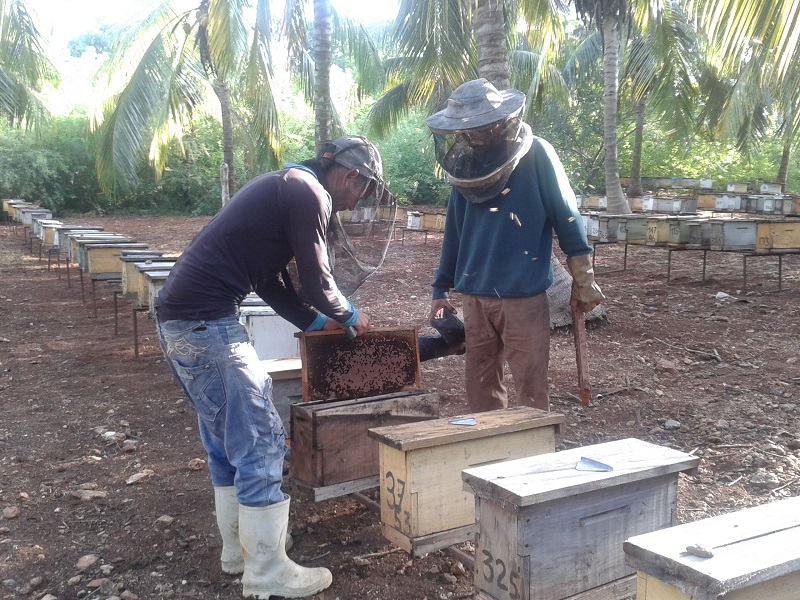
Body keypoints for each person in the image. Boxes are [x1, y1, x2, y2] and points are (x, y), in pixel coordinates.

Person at [154, 136, 387, 599]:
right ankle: (266, 573)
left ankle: (239, 553)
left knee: (227, 439)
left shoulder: (284, 185)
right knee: (260, 436)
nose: (359, 200)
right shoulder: (309, 192)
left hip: (182, 320)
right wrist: (351, 315)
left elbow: (274, 287)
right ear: (349, 176)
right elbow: (319, 282)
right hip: (207, 322)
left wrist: (322, 323)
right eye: (364, 189)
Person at [426, 78, 605, 413]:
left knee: (530, 384)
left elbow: (566, 216)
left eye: (478, 128)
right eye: (465, 131)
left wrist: (583, 278)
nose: (471, 137)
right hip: (475, 295)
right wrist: (440, 287)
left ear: (498, 122)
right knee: (480, 382)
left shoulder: (538, 154)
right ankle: (488, 451)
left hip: (522, 296)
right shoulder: (465, 165)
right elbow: (454, 230)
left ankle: (530, 456)